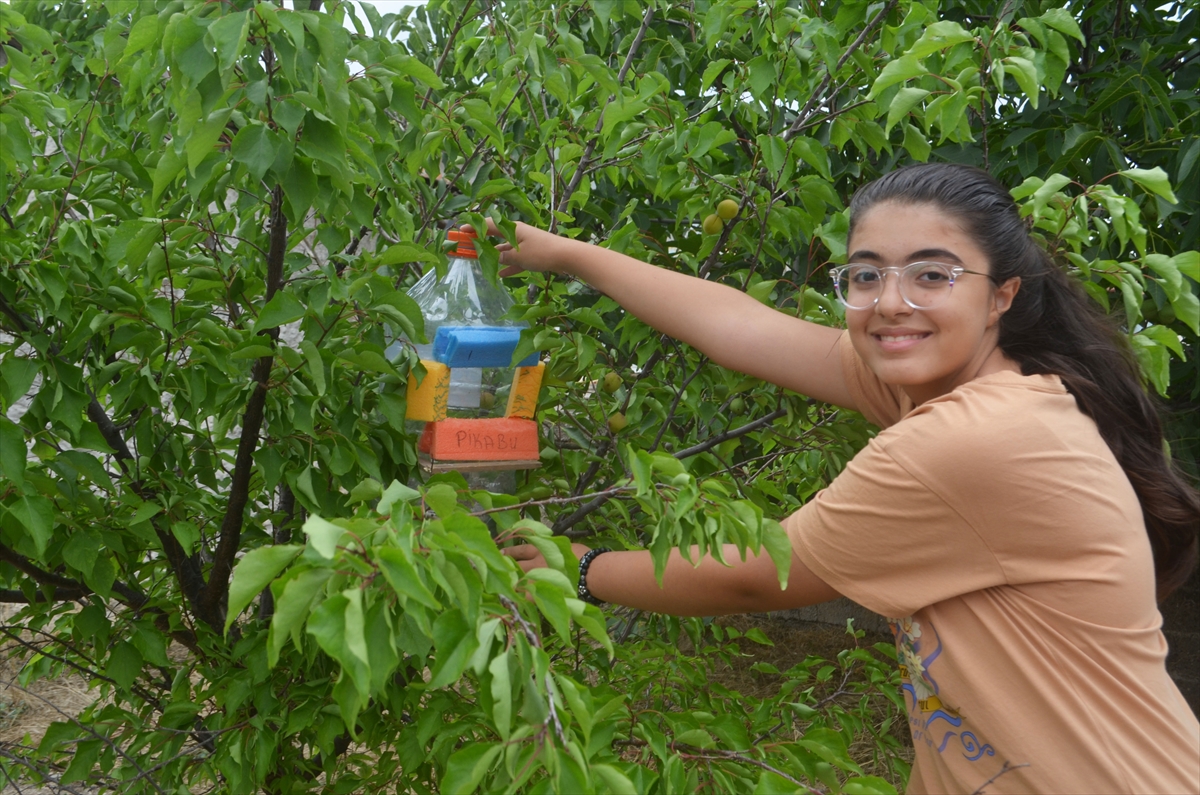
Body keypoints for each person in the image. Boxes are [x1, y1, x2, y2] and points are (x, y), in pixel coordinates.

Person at [488, 163, 1200, 794]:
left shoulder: (967, 438)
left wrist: (581, 569)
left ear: (1001, 296)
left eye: (932, 274)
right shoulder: (962, 392)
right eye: (866, 275)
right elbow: (743, 327)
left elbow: (759, 572)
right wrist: (563, 253)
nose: (892, 301)